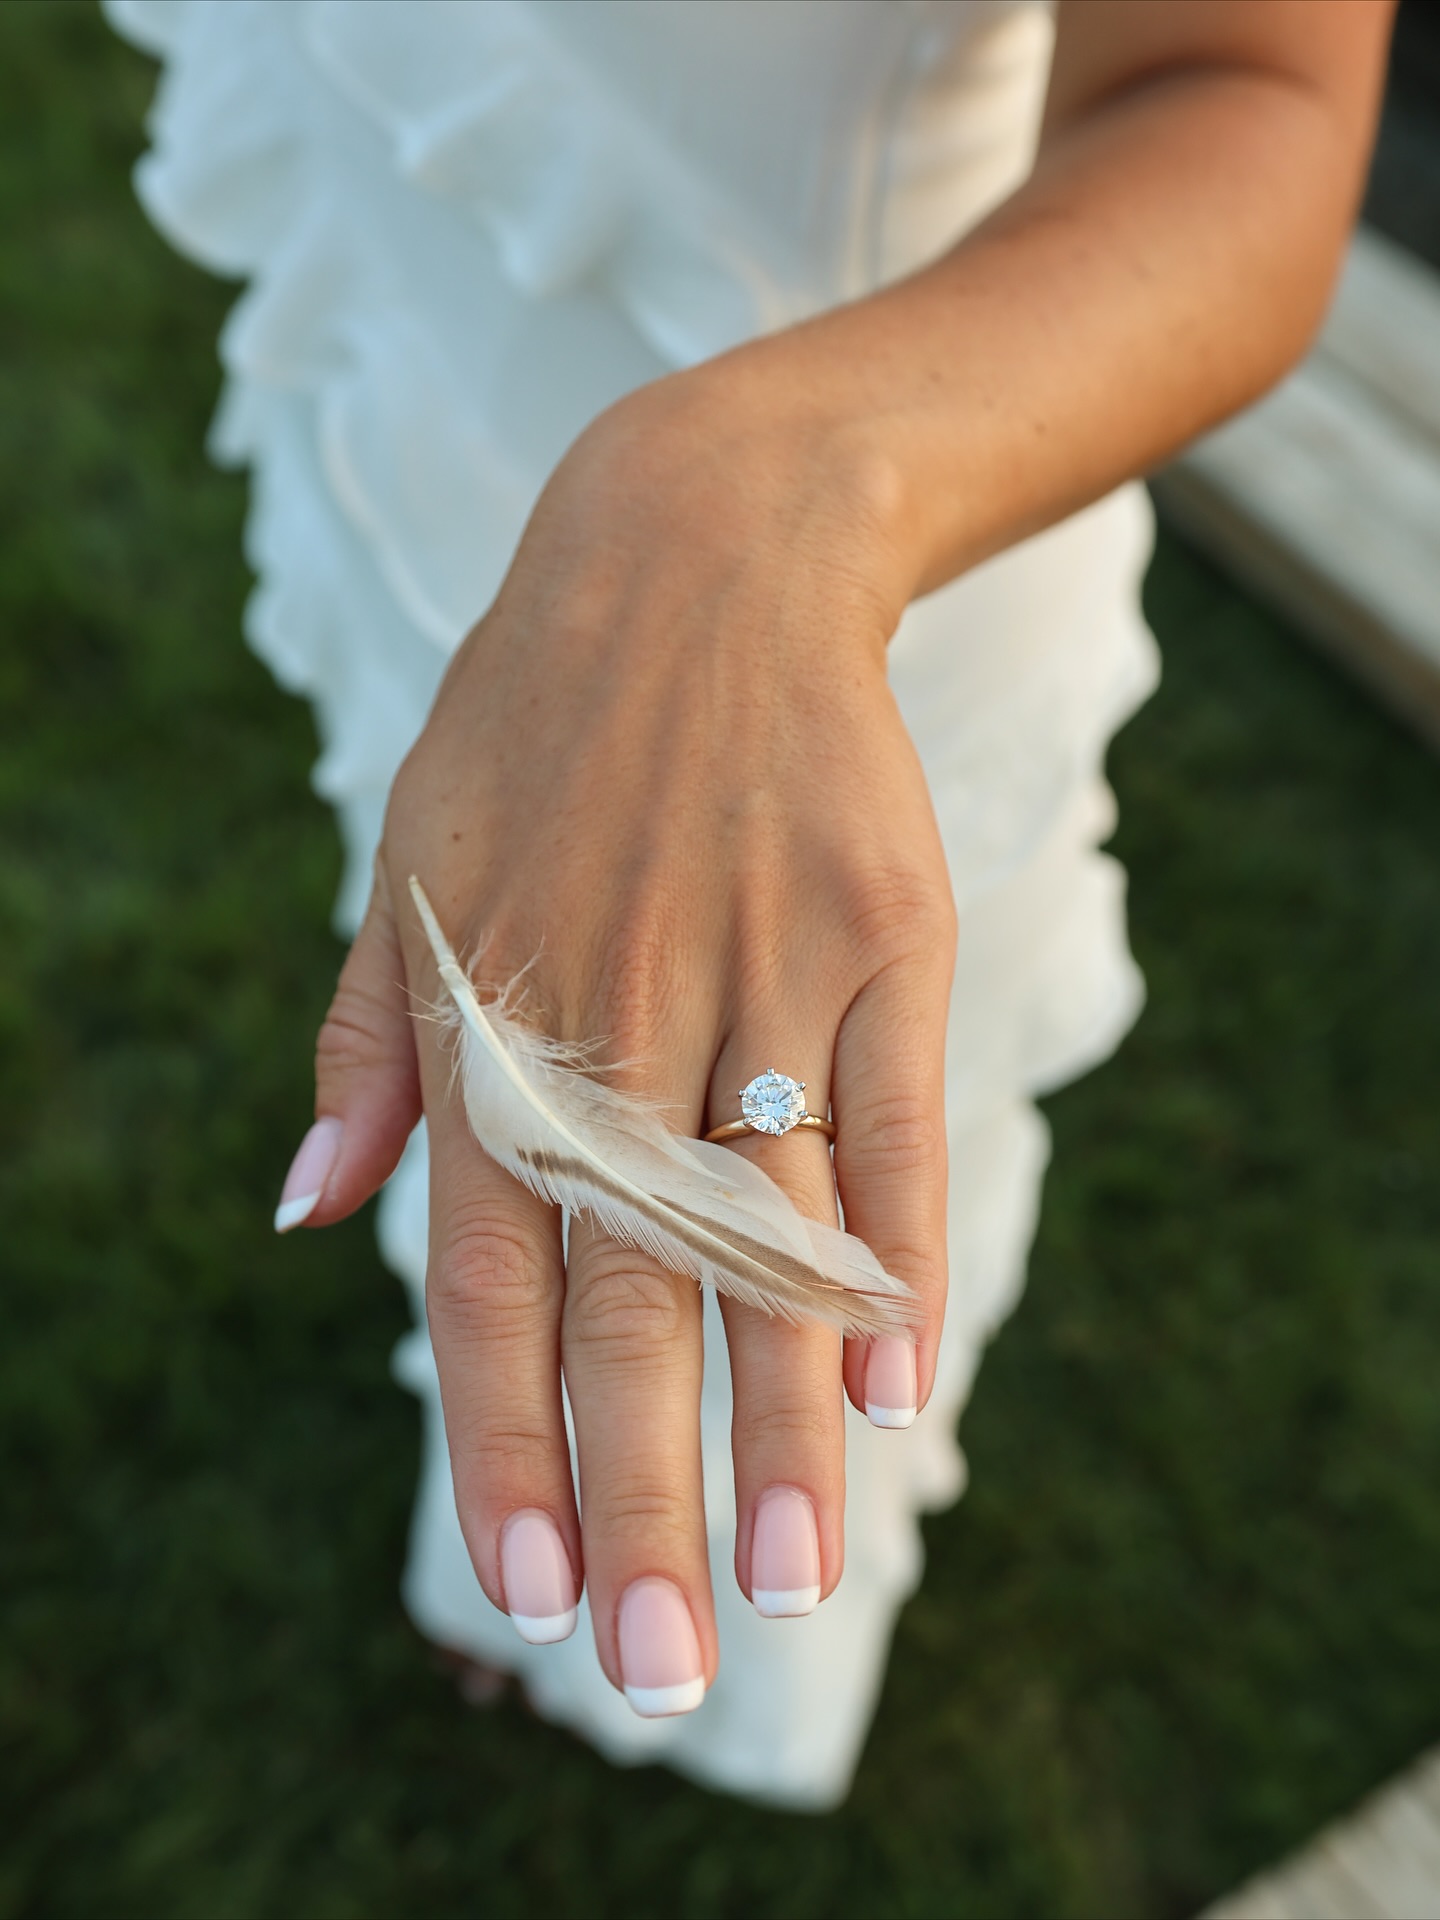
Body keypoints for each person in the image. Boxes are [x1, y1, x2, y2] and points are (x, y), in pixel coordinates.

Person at [108, 0, 1394, 1809]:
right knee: (482, 1078)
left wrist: (746, 491)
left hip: (842, 546)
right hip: (419, 288)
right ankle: (519, 1508)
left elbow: (1245, 95)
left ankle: (696, 1671)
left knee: (747, 1258)